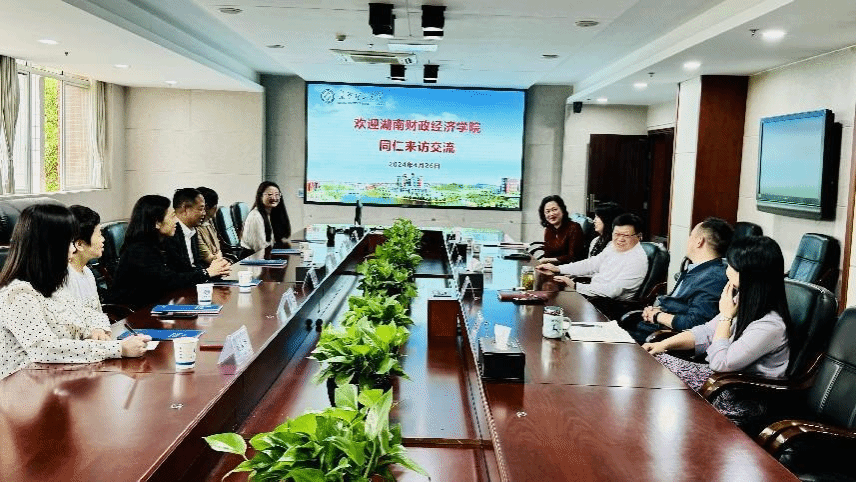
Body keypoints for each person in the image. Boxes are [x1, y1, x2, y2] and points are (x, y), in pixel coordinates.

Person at [642, 236, 791, 424]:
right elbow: (705, 332)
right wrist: (662, 345)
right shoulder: (744, 300)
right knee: (655, 361)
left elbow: (720, 364)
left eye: (732, 267)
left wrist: (726, 316)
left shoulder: (771, 325)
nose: (727, 271)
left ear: (750, 275)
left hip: (740, 395)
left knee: (659, 376)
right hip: (720, 381)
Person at [0, 204, 149, 379]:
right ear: (48, 246)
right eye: (68, 242)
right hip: (24, 388)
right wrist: (118, 349)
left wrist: (97, 329)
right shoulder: (18, 295)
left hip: (58, 380)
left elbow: (90, 314)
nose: (73, 249)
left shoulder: (51, 287)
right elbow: (45, 349)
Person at [623, 217, 733, 343]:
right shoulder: (699, 268)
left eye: (691, 236)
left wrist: (658, 316)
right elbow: (680, 305)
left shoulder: (713, 278)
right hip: (652, 327)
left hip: (662, 337)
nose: (688, 240)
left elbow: (695, 322)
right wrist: (658, 310)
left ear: (699, 241)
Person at [108, 195, 230, 308]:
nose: (176, 221)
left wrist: (213, 271)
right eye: (172, 216)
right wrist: (206, 273)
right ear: (157, 222)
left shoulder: (162, 242)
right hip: (136, 313)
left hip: (160, 304)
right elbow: (168, 281)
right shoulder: (139, 250)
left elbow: (182, 270)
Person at [536, 213, 648, 300]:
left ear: (639, 237)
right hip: (593, 294)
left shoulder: (637, 260)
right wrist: (559, 268)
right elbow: (591, 264)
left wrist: (576, 286)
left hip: (610, 305)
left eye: (626, 235)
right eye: (617, 234)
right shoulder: (612, 247)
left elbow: (613, 291)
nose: (620, 239)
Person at [163, 188, 230, 272]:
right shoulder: (171, 233)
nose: (204, 213)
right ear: (186, 209)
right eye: (201, 209)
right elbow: (179, 271)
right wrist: (208, 273)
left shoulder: (191, 231)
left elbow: (195, 265)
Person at [61, 205, 107, 312]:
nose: (103, 239)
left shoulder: (88, 272)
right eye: (99, 235)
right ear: (80, 244)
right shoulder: (64, 280)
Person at [241, 181, 292, 252]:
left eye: (277, 195)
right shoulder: (255, 217)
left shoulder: (270, 214)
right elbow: (259, 248)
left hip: (265, 254)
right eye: (270, 194)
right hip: (254, 256)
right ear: (260, 196)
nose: (274, 198)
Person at [536, 194, 585, 264]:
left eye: (554, 210)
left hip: (569, 267)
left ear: (562, 210)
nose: (551, 214)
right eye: (547, 211)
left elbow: (573, 257)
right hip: (552, 266)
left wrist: (547, 260)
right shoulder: (549, 229)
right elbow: (547, 254)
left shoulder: (574, 227)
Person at [195, 186, 227, 265]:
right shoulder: (194, 229)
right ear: (206, 207)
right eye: (215, 205)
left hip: (218, 263)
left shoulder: (209, 220)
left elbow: (218, 248)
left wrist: (219, 256)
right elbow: (209, 259)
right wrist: (219, 258)